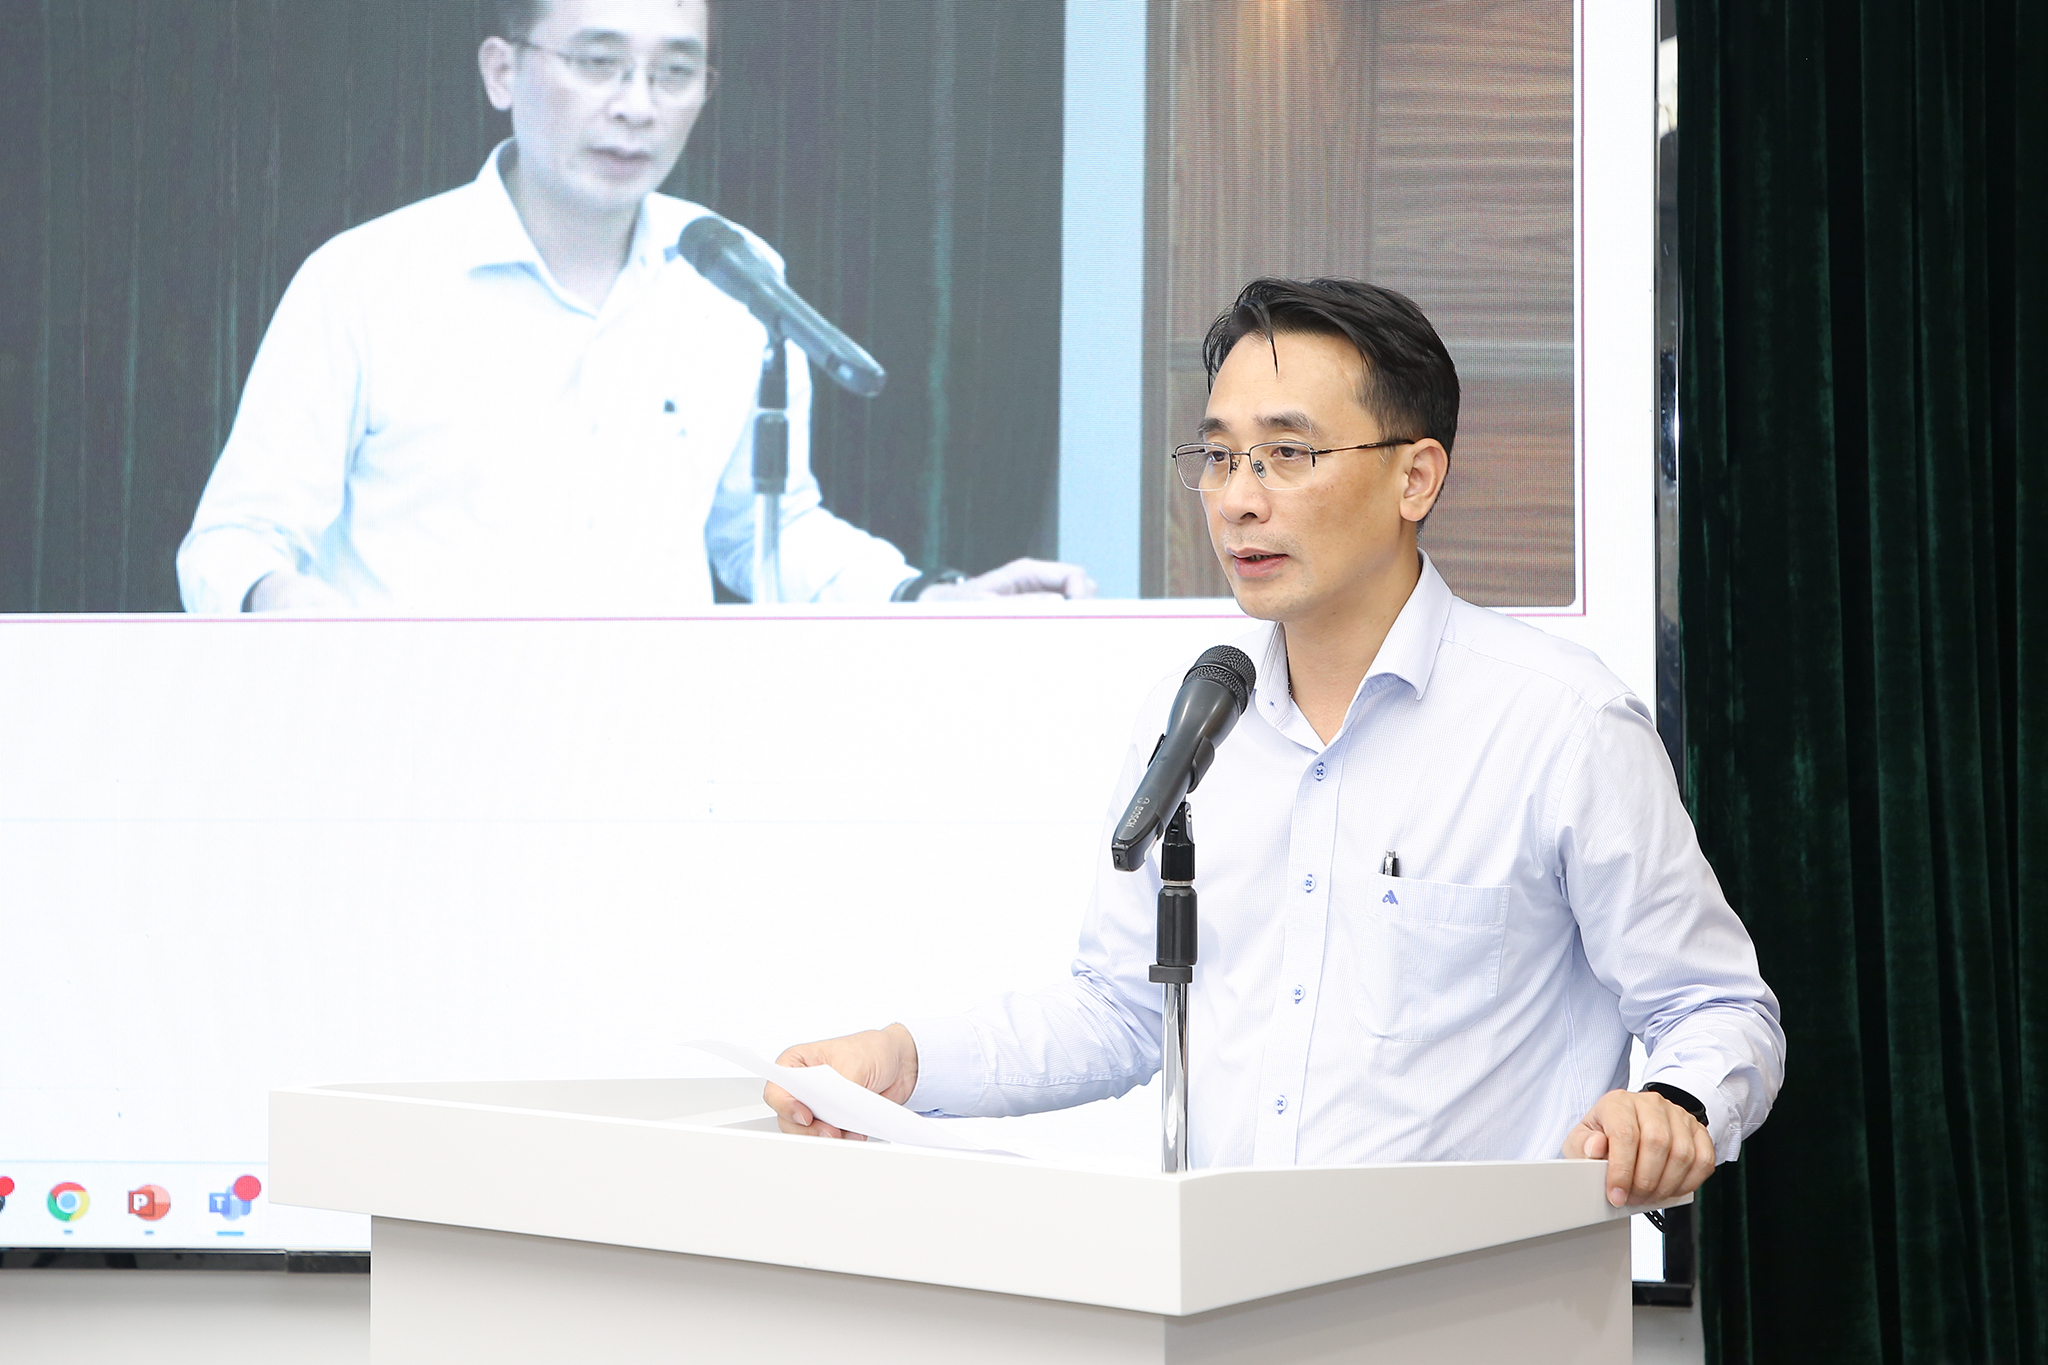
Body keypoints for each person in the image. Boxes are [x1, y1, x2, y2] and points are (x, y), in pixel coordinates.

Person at [766, 278, 1784, 1208]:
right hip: (1227, 1301)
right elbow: (1123, 1010)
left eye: (1287, 454)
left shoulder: (1559, 724)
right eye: (1218, 456)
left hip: (1469, 1305)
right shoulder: (1194, 719)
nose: (1238, 498)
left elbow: (1714, 1004)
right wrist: (903, 1061)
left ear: (1415, 477)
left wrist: (1672, 1108)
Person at [175, 0, 1092, 615]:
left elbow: (765, 534)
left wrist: (929, 598)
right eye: (598, 63)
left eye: (674, 72)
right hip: (412, 762)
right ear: (502, 71)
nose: (636, 107)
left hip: (652, 769)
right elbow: (231, 543)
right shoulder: (367, 281)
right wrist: (293, 610)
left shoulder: (733, 275)